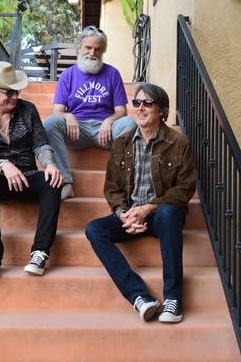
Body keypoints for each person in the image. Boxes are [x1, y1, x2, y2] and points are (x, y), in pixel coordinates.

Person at [85, 83, 197, 323]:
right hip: (131, 215)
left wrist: (149, 208)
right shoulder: (122, 142)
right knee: (94, 229)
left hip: (159, 216)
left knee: (168, 214)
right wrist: (123, 213)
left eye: (147, 103)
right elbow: (112, 187)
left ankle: (173, 300)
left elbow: (185, 188)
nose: (141, 108)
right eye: (137, 103)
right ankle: (140, 297)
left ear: (162, 110)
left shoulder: (179, 144)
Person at [0, 61, 64, 277]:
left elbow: (41, 144)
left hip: (27, 177)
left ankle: (40, 252)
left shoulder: (28, 110)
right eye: (8, 93)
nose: (14, 97)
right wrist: (3, 164)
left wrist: (49, 164)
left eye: (17, 92)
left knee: (53, 181)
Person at [44, 25, 136, 200]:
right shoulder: (68, 75)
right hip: (77, 131)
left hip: (106, 132)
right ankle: (66, 183)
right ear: (79, 48)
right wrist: (68, 116)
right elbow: (57, 111)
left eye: (98, 49)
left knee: (129, 124)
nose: (93, 52)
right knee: (50, 123)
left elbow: (121, 111)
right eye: (88, 47)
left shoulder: (112, 73)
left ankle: (123, 184)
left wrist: (109, 121)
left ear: (102, 51)